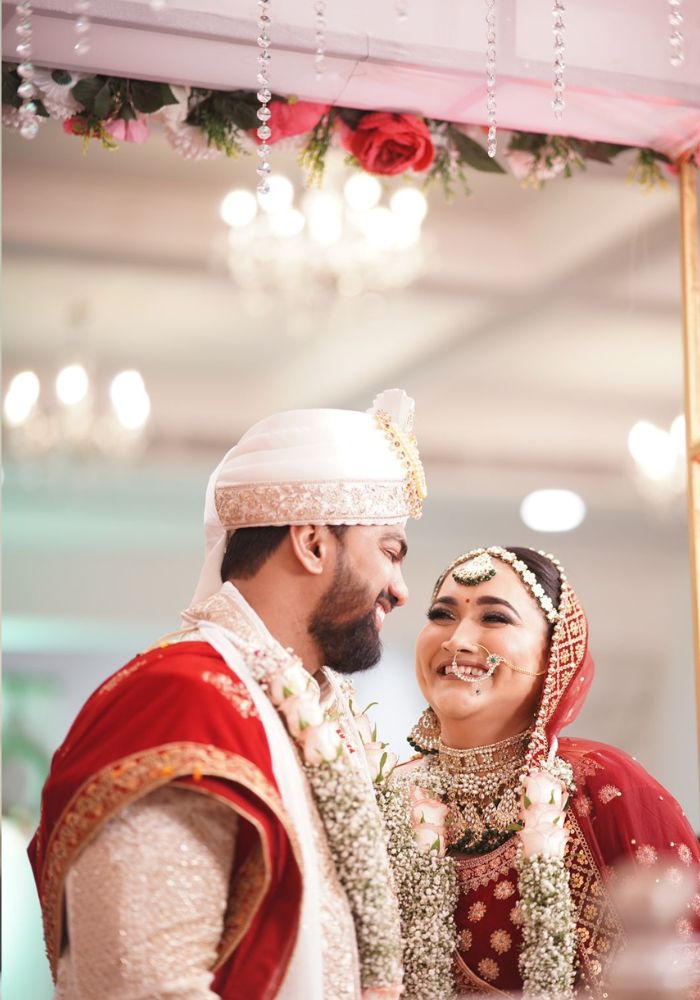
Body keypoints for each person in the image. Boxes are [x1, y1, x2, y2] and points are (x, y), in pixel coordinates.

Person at [28, 388, 427, 1000]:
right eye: (390, 552)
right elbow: (146, 985)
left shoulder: (325, 715)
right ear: (312, 542)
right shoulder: (180, 701)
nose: (400, 590)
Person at [382, 546, 700, 999]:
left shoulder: (602, 788)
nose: (457, 639)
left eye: (495, 618)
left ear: (556, 656)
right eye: (441, 615)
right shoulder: (387, 799)